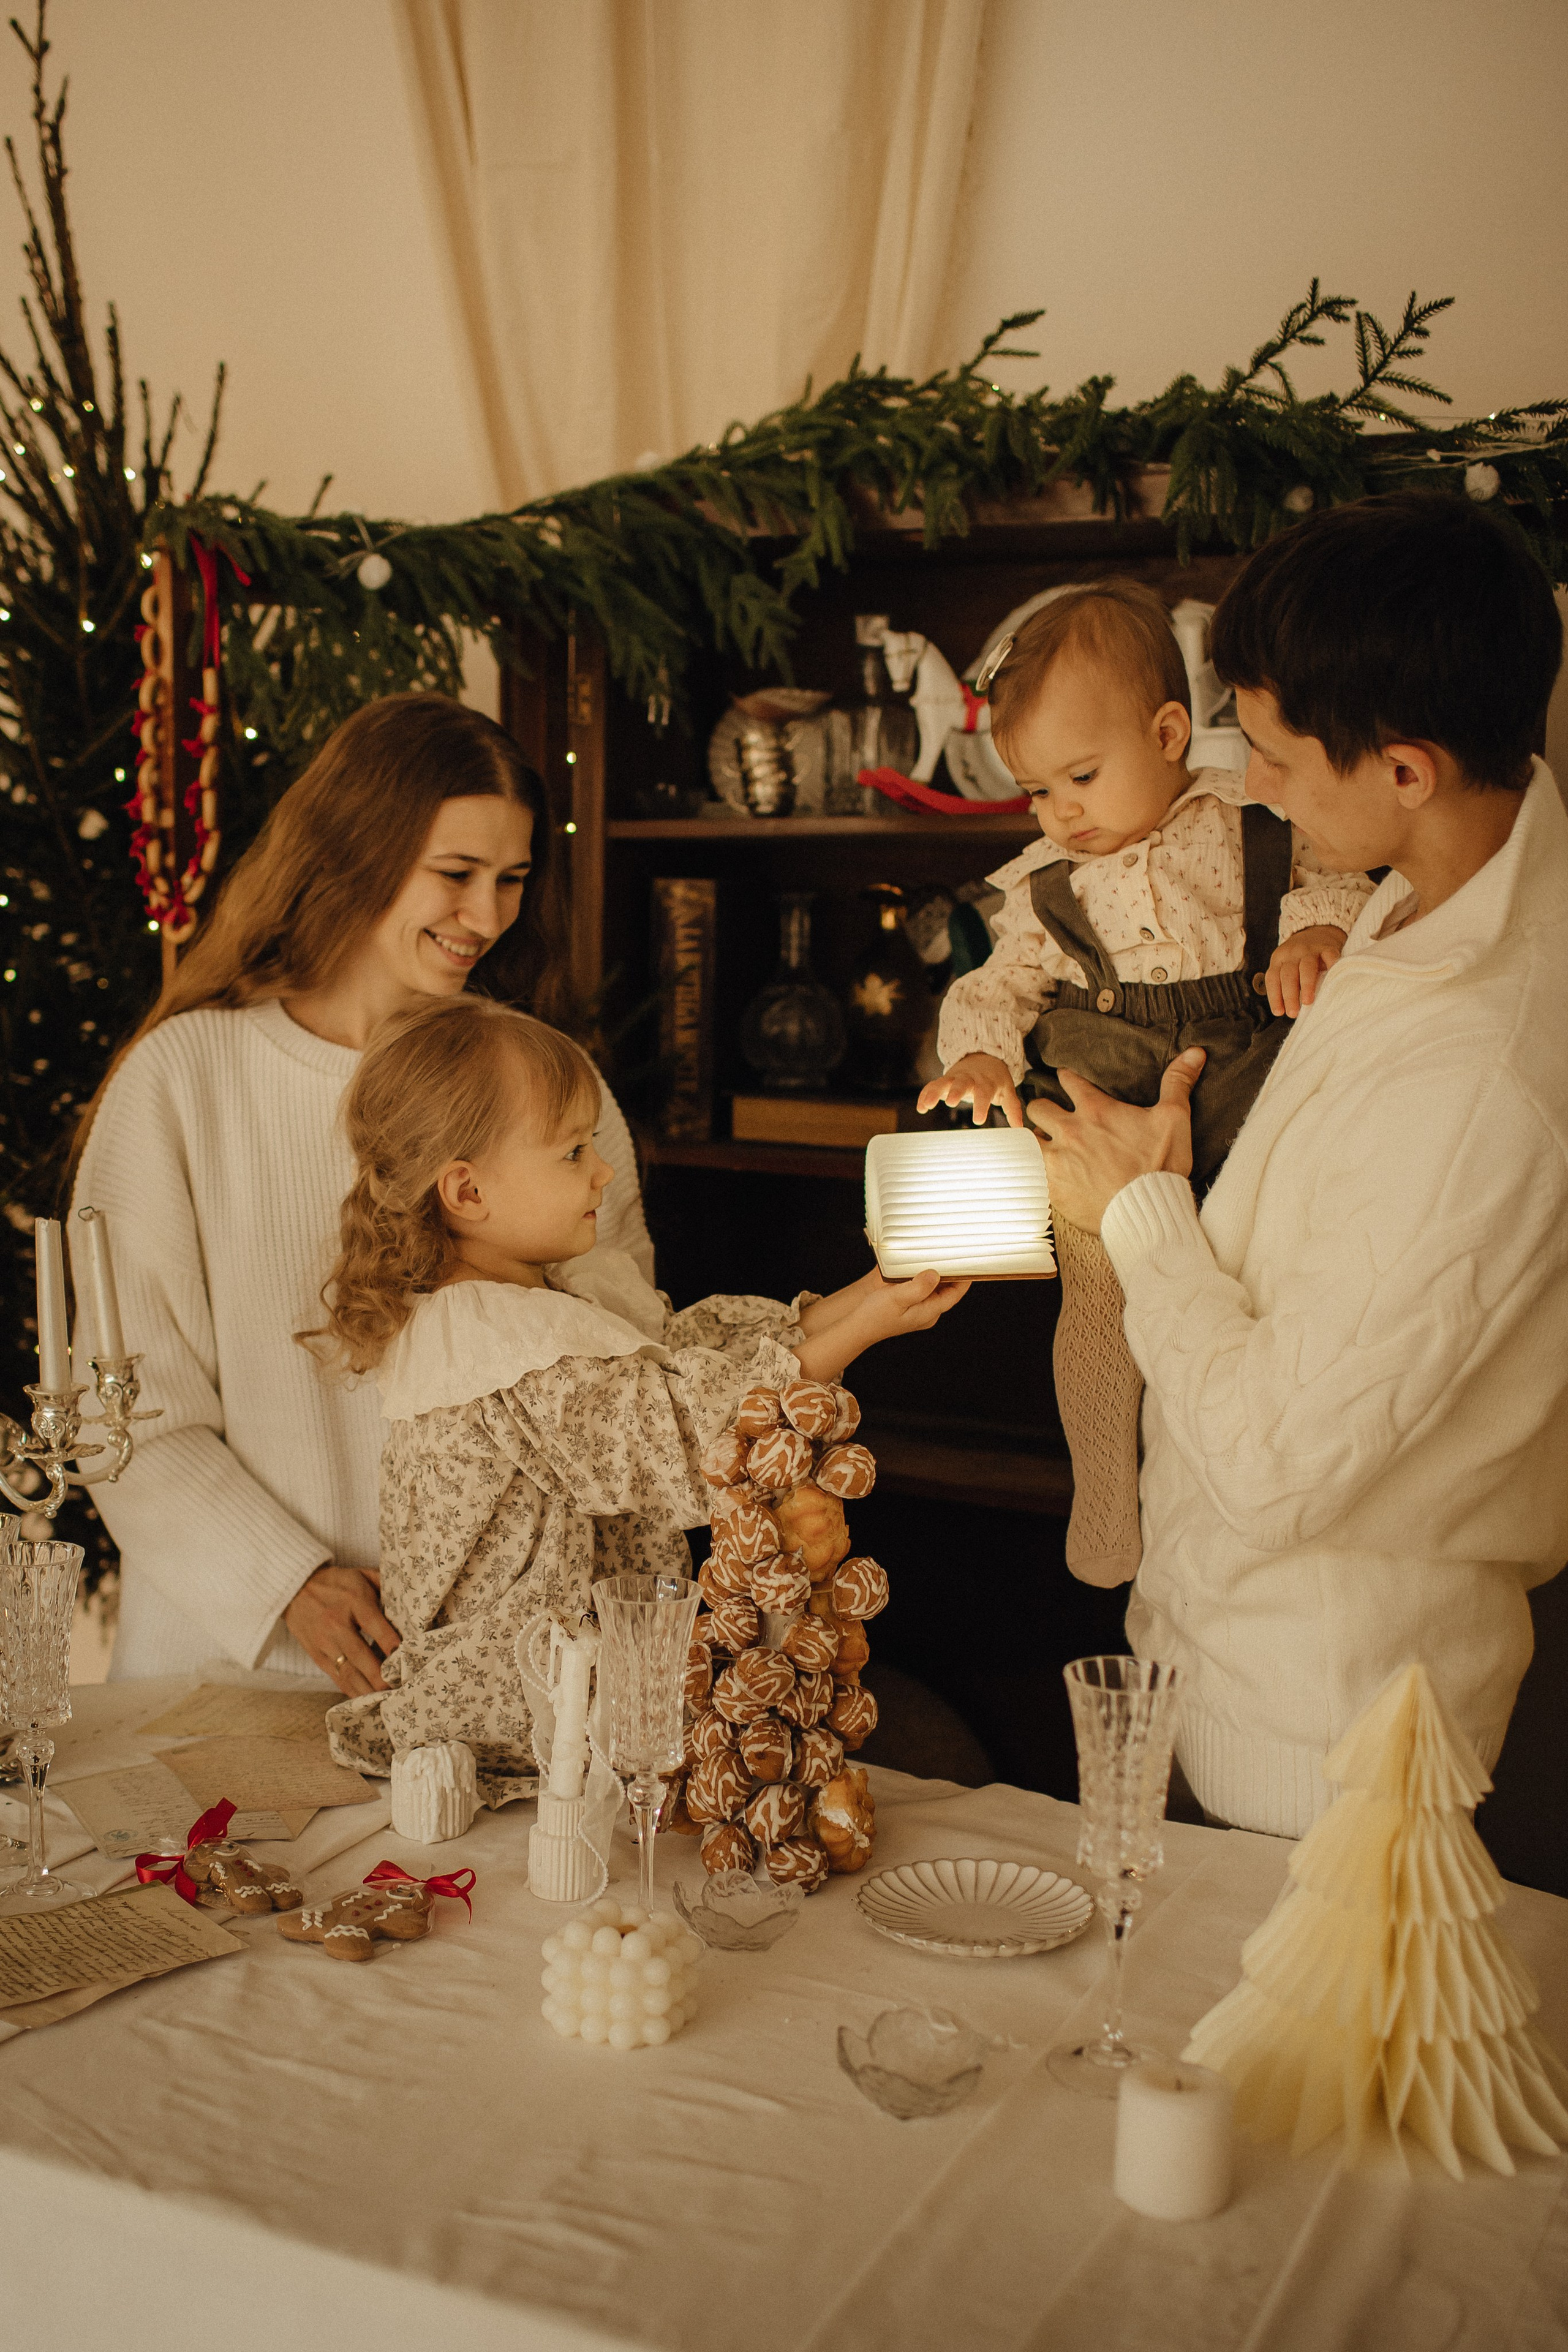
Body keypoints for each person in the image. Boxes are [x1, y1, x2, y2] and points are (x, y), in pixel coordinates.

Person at [1028, 494, 1568, 1838]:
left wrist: (1142, 1214)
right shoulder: (1415, 900)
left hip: (1323, 1742)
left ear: (1406, 770)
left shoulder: (1481, 1074)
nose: (1250, 788)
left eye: (1271, 754)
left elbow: (1276, 1462)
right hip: (1221, 1660)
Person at [68, 693, 655, 1695]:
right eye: (456, 875)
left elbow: (619, 1360)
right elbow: (125, 1412)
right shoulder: (183, 1080)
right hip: (229, 1676)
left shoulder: (547, 1086)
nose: (488, 917)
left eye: (512, 880)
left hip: (482, 1682)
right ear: (356, 853)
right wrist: (287, 1582)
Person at [314, 995, 968, 1793]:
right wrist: (864, 1325)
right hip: (524, 1700)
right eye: (572, 1152)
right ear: (468, 1192)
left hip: (588, 1685)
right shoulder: (498, 1348)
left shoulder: (540, 1302)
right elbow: (688, 1437)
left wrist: (868, 1295)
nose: (604, 1170)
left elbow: (689, 1359)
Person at [918, 581, 1373, 1584]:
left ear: (1169, 733)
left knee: (1248, 1286)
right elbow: (997, 985)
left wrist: (1314, 933)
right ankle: (1103, 1487)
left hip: (1247, 1090)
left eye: (1082, 775)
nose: (1062, 811)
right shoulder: (1044, 883)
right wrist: (981, 1055)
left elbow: (1340, 879)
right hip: (1107, 1109)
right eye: (1037, 791)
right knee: (1097, 1303)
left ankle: (1221, 1484)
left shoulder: (1253, 822)